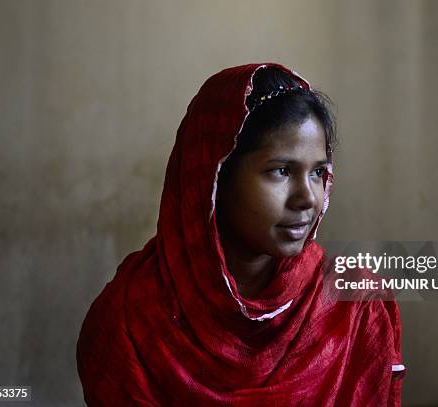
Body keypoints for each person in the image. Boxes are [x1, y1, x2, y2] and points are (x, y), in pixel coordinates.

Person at [77, 63, 404, 406]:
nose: (308, 197)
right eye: (281, 171)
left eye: (318, 172)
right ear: (214, 178)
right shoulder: (131, 321)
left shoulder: (355, 308)